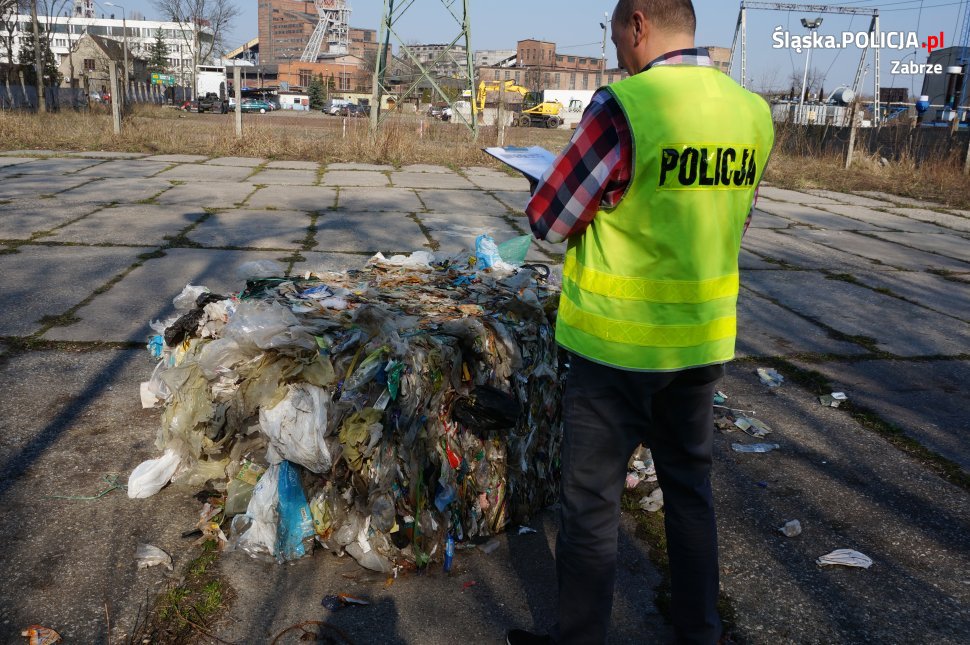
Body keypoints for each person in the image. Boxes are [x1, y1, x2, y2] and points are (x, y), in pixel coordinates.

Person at [508, 1, 774, 644]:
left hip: (616, 348)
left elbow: (551, 219)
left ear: (638, 27)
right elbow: (732, 223)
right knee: (689, 493)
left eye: (615, 34)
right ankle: (698, 633)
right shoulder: (752, 114)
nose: (617, 49)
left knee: (592, 507)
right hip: (700, 343)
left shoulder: (624, 106)